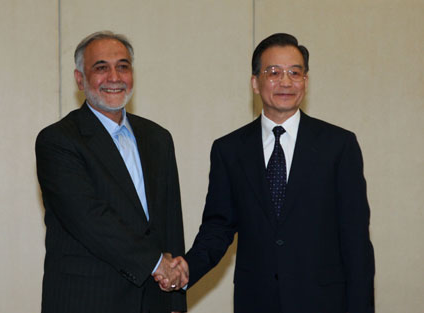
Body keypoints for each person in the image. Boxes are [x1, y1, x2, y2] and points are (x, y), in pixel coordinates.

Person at [182, 33, 375, 313]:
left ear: (305, 82)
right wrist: (186, 269)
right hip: (256, 301)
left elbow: (356, 241)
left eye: (294, 73)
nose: (286, 81)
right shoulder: (229, 150)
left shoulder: (339, 146)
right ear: (255, 83)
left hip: (324, 303)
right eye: (274, 72)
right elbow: (218, 227)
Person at [35, 31, 187, 313]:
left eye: (123, 66)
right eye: (101, 67)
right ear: (80, 79)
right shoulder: (58, 141)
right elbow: (90, 218)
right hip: (86, 299)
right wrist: (157, 264)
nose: (114, 77)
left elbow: (170, 221)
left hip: (153, 300)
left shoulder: (158, 138)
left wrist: (176, 296)